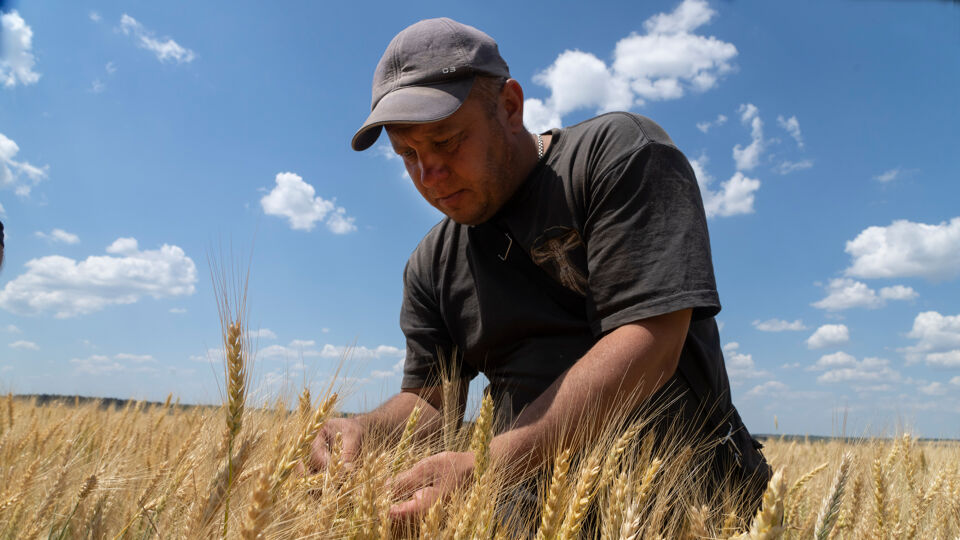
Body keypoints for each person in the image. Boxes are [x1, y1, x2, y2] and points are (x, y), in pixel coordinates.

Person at [311, 17, 770, 523]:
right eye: (408, 155)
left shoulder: (616, 157)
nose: (428, 174)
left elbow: (651, 341)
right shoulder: (431, 265)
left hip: (693, 507)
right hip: (531, 519)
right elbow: (432, 404)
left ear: (509, 106)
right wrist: (363, 430)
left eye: (445, 141)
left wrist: (488, 467)